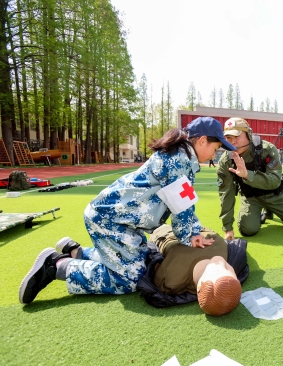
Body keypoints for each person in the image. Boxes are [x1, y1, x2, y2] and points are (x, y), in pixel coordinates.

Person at [19, 117, 236, 305]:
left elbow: (181, 200)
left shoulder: (180, 156)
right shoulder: (179, 161)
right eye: (216, 149)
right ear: (202, 141)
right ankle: (57, 266)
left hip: (121, 221)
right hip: (110, 221)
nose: (214, 155)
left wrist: (191, 232)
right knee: (130, 279)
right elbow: (182, 206)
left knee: (140, 260)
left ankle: (78, 252)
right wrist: (191, 235)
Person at [217, 117, 283, 238]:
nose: (232, 142)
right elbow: (226, 193)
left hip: (274, 195)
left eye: (236, 136)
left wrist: (247, 175)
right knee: (247, 230)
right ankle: (261, 212)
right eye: (228, 138)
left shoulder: (266, 150)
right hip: (250, 197)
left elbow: (275, 181)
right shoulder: (226, 160)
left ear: (248, 135)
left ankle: (271, 209)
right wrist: (227, 228)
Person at [136, 224, 248, 315]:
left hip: (167, 235)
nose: (221, 263)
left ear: (199, 287)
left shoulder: (171, 280)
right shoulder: (231, 257)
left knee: (155, 224)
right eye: (228, 269)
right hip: (198, 228)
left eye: (218, 270)